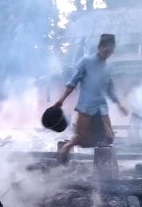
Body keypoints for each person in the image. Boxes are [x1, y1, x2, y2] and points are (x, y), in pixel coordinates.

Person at [54, 34, 129, 162]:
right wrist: (61, 100)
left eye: (110, 51)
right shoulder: (86, 62)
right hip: (86, 108)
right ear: (99, 47)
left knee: (108, 137)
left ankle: (103, 171)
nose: (108, 54)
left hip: (102, 109)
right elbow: (73, 82)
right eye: (106, 50)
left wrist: (119, 104)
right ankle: (67, 147)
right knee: (83, 139)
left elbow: (110, 88)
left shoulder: (108, 67)